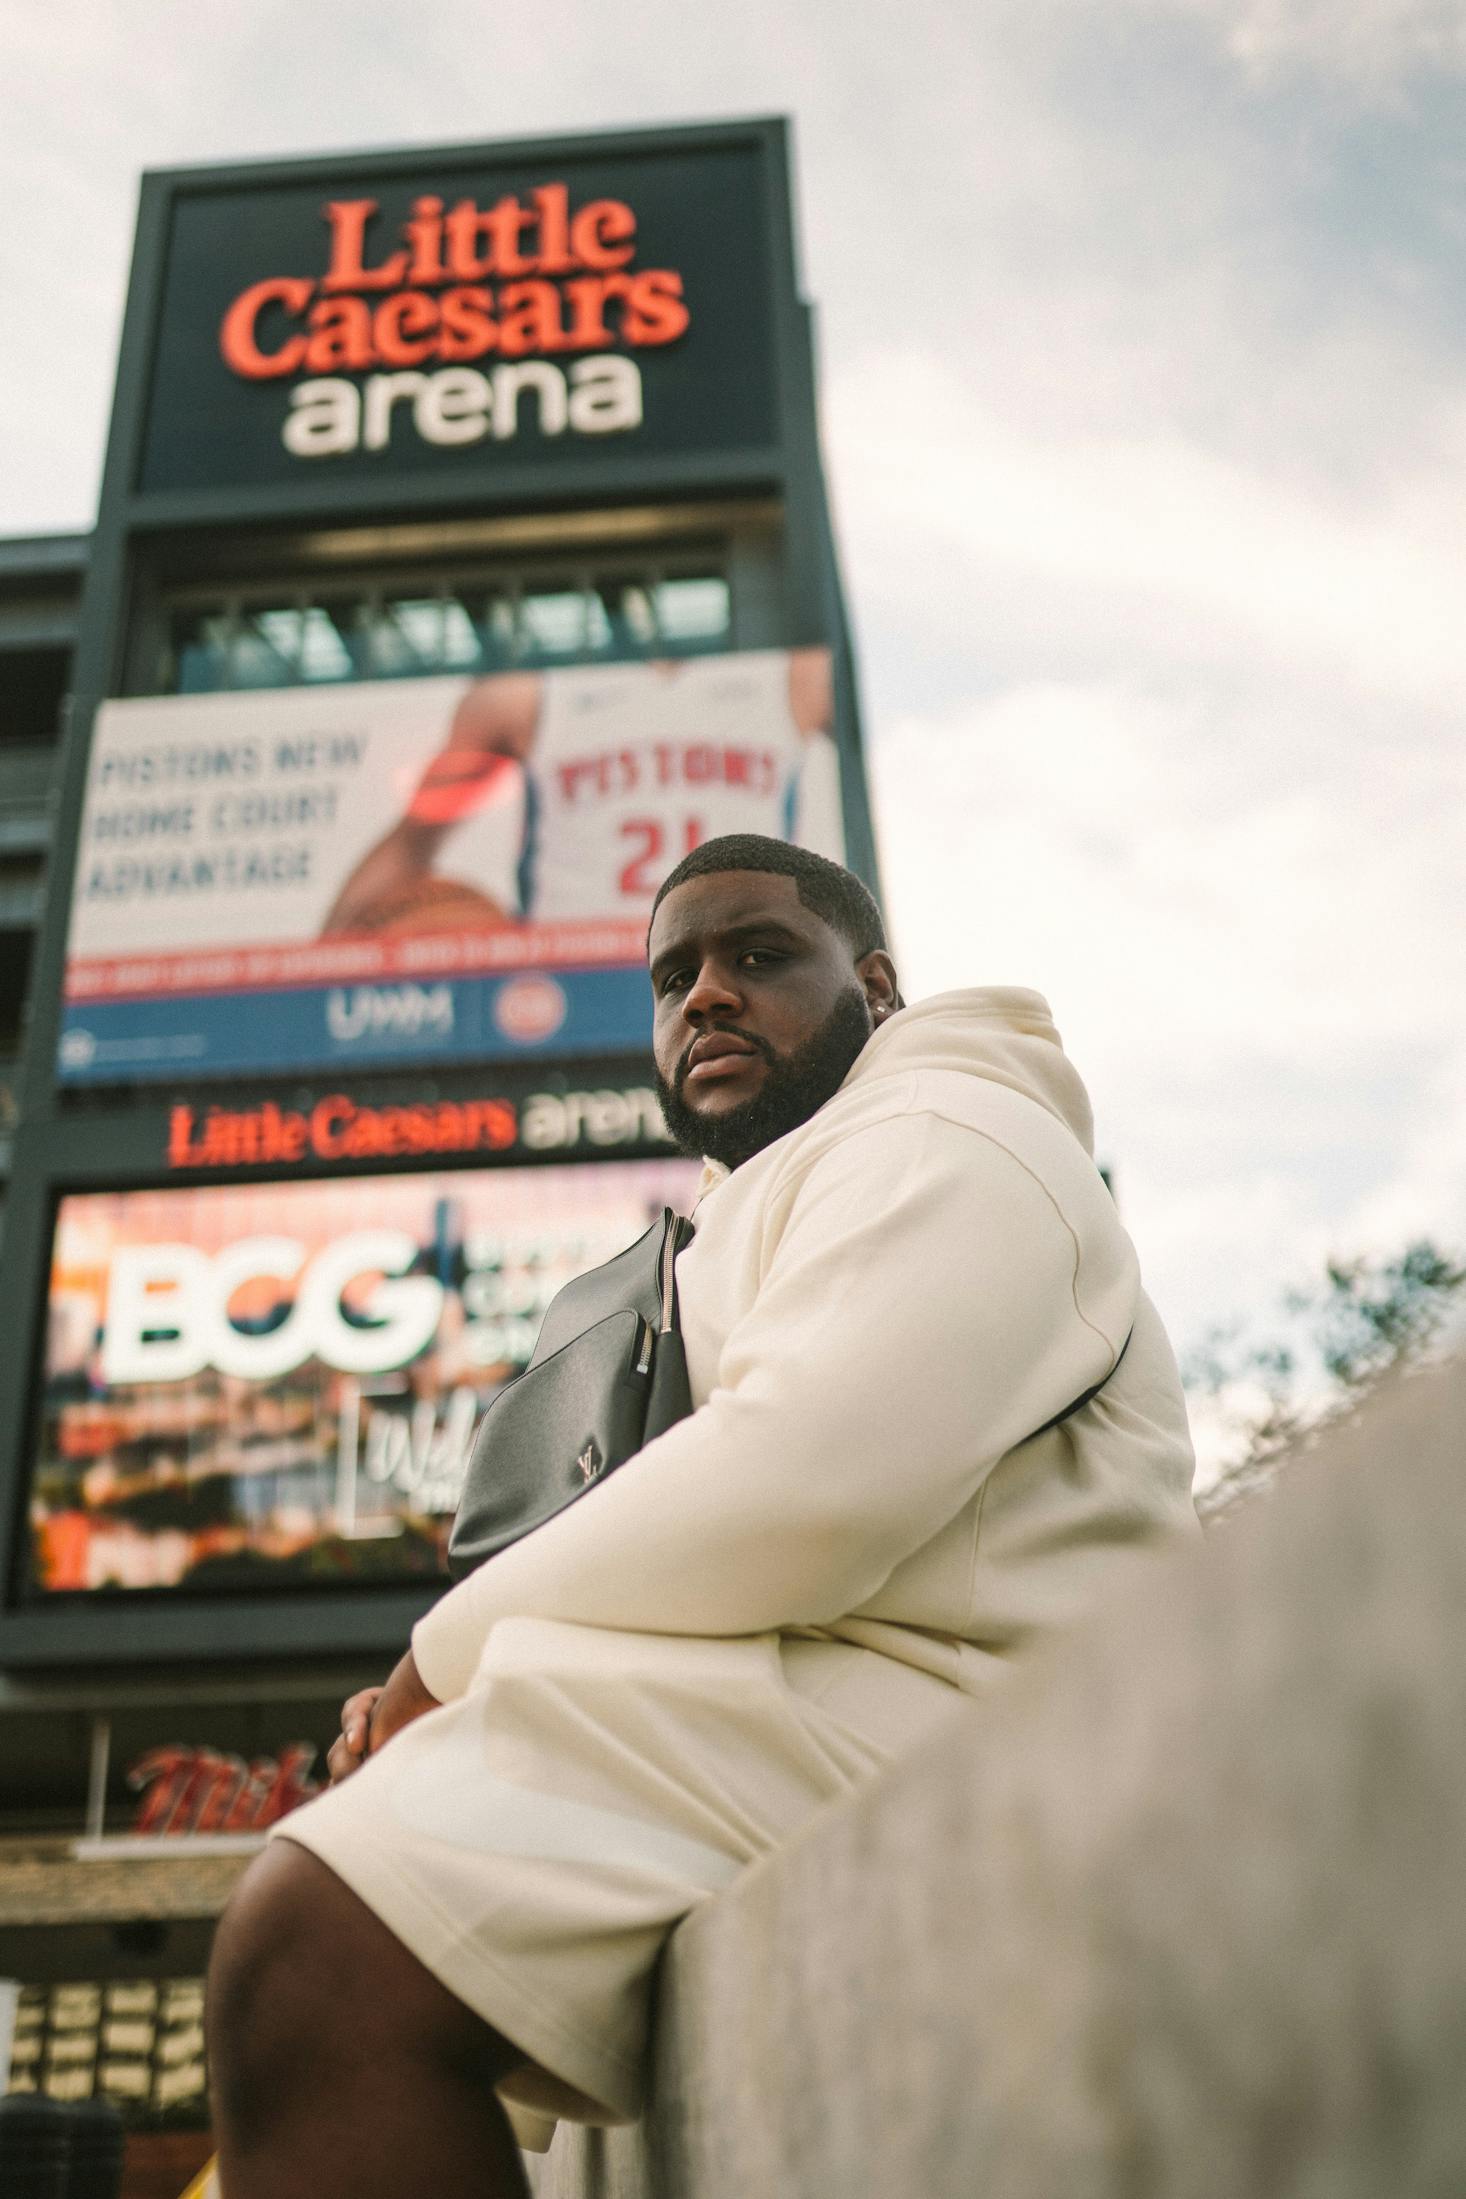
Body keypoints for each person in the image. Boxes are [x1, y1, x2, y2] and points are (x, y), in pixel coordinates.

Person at [208, 834, 1196, 2199]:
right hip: (841, 1714)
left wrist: (439, 1668)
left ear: (879, 985)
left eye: (758, 954)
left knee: (322, 1943)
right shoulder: (776, 1190)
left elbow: (802, 1479)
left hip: (985, 1732)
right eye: (674, 977)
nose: (707, 996)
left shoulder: (950, 1130)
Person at [320, 650, 841, 935]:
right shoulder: (525, 693)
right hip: (578, 971)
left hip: (730, 955)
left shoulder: (795, 674)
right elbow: (415, 839)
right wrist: (307, 980)